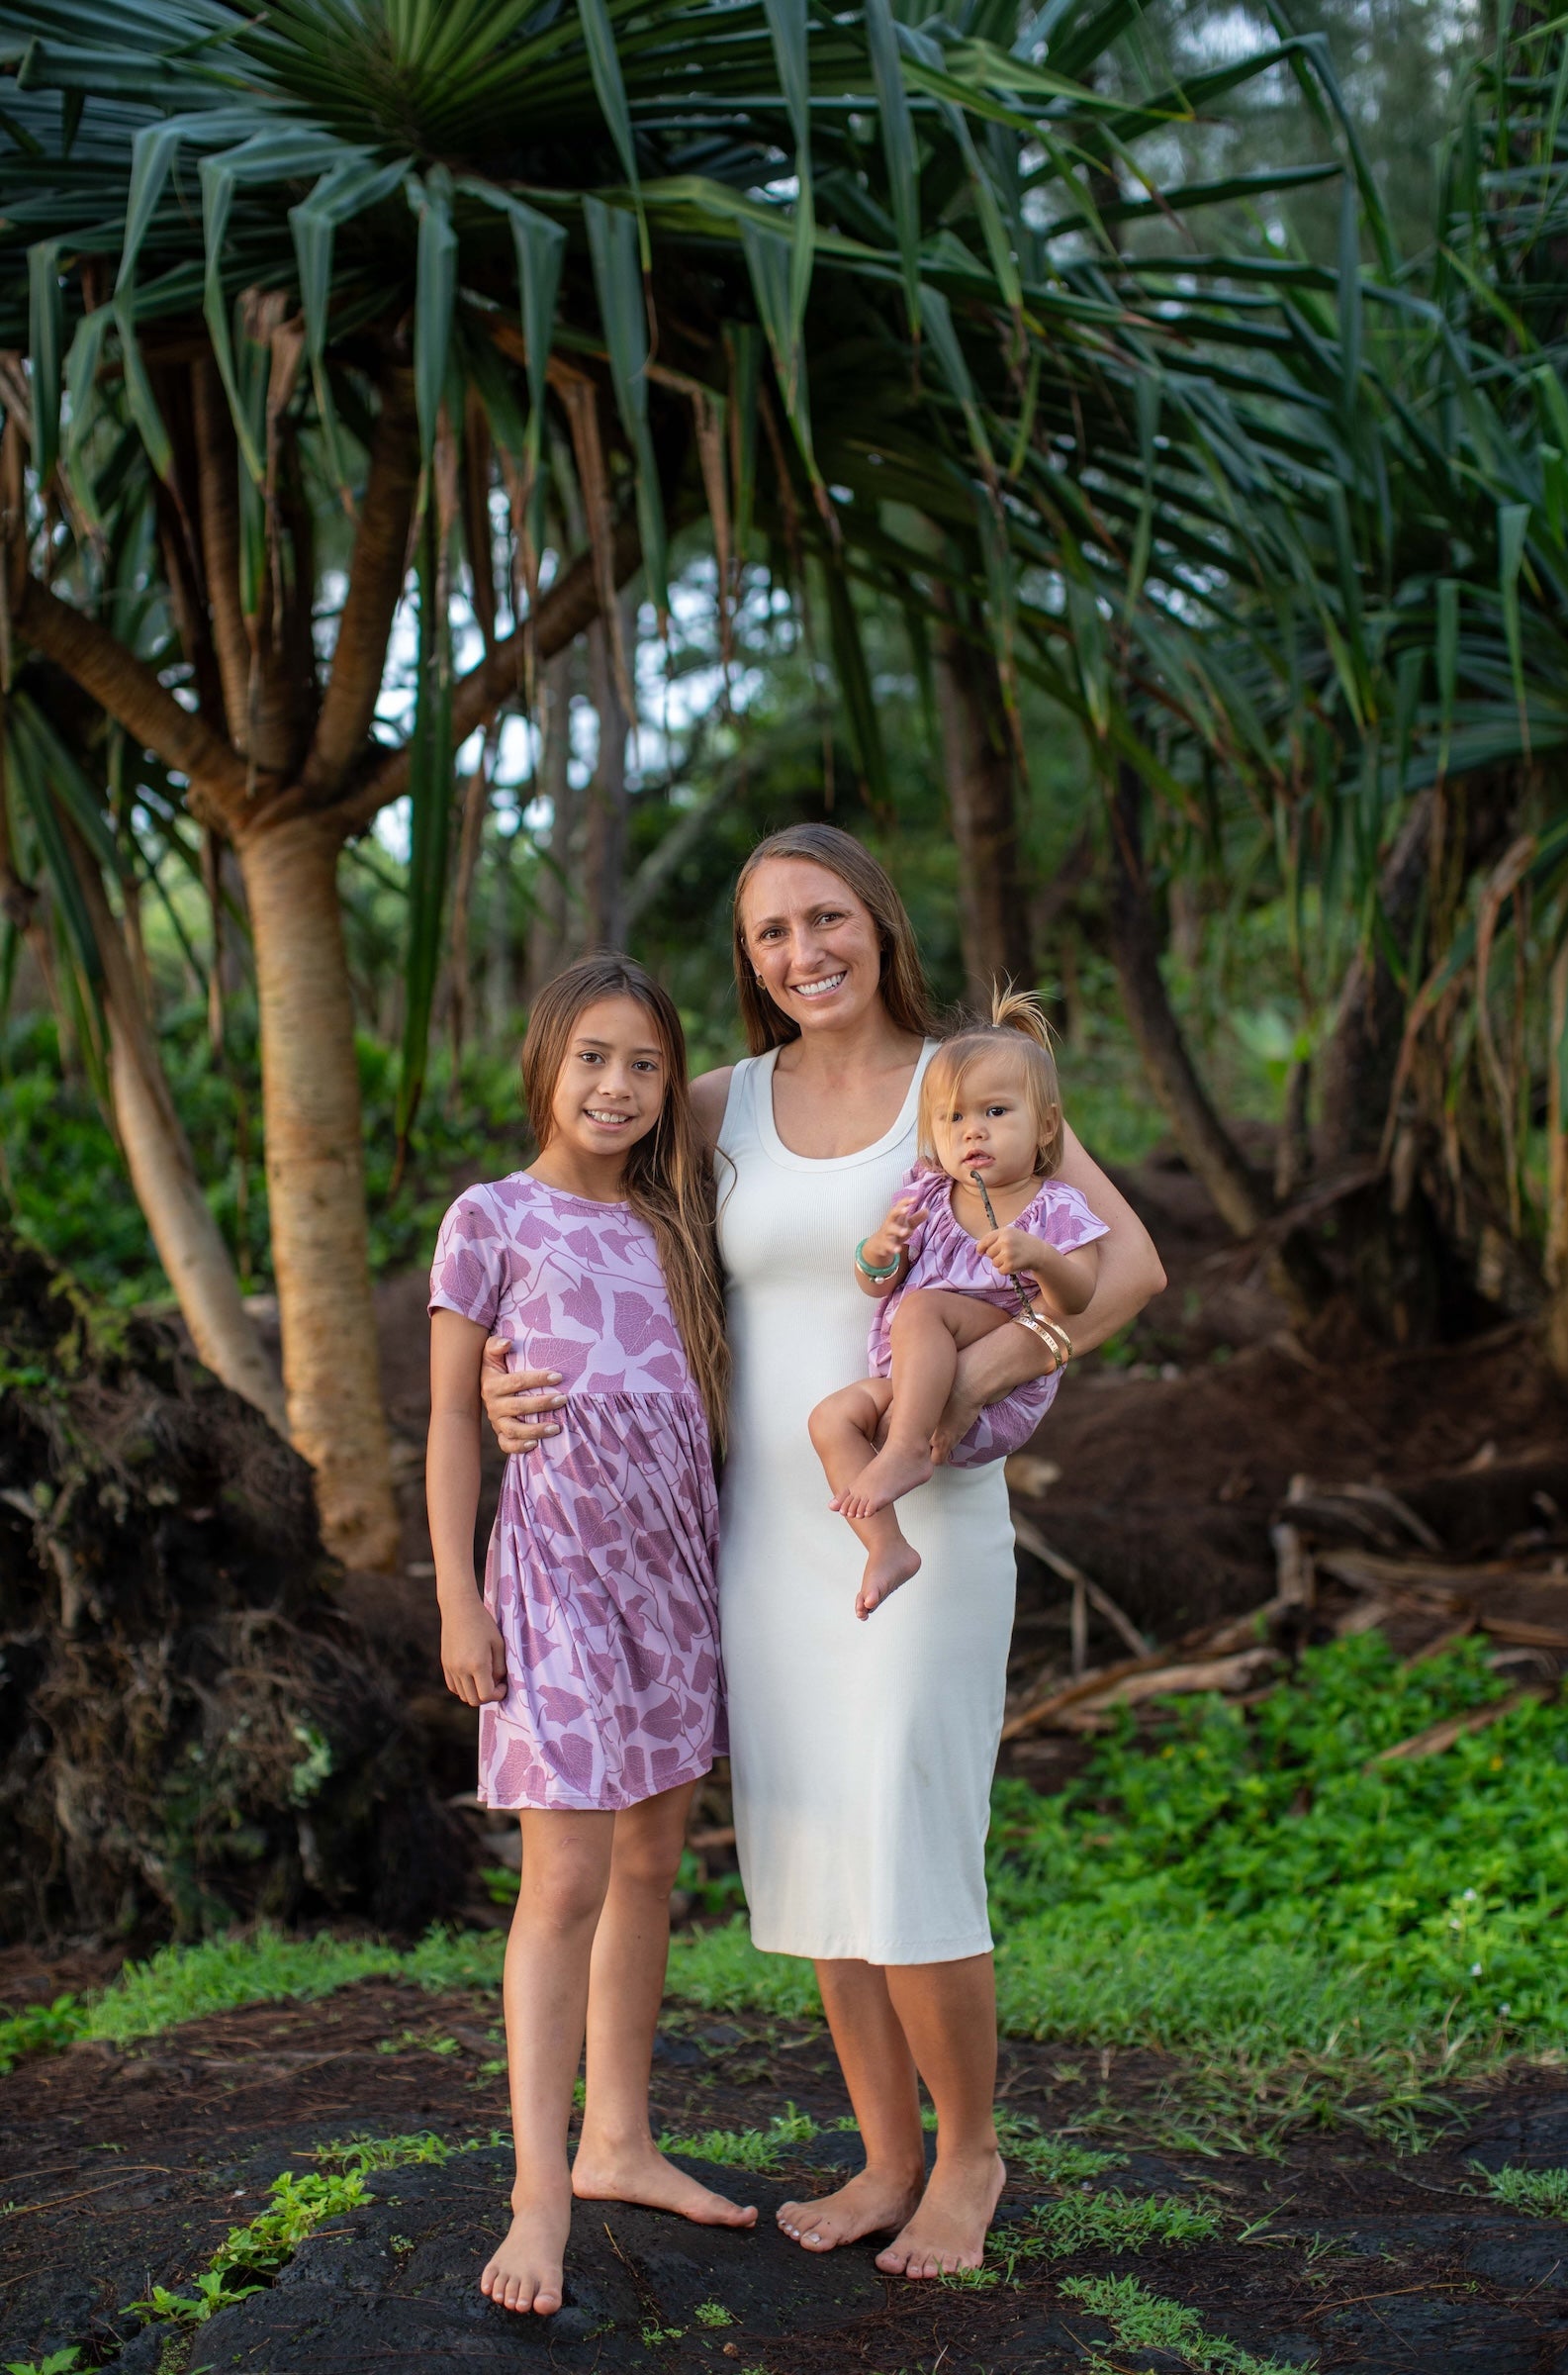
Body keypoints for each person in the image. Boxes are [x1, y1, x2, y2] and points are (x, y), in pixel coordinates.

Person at [479, 826, 1165, 2283]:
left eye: (828, 917)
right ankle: (887, 2158)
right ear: (750, 960)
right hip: (756, 1538)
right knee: (819, 1857)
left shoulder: (960, 1082)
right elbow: (578, 1229)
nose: (806, 952)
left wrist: (987, 1375)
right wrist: (496, 1374)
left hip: (922, 1520)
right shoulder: (714, 1103)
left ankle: (969, 2157)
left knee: (906, 1834)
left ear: (879, 921)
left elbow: (1132, 1267)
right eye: (773, 933)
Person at [426, 955, 754, 2322]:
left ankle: (618, 2139)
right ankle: (537, 2190)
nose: (617, 1087)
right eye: (592, 1059)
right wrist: (459, 1599)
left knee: (650, 1865)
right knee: (561, 1880)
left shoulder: (682, 1222)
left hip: (673, 1581)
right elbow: (451, 1423)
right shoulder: (492, 1217)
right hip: (554, 1585)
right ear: (544, 1067)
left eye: (645, 1063)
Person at [810, 989, 1107, 1616]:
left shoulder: (1055, 1207)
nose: (972, 1130)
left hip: (994, 1383)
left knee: (925, 1308)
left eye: (995, 1111)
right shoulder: (927, 1196)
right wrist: (880, 1250)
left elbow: (1078, 1298)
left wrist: (1041, 1257)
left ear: (1045, 1125)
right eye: (952, 1118)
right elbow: (876, 1284)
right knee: (831, 1419)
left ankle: (904, 1452)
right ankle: (887, 1547)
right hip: (918, 1387)